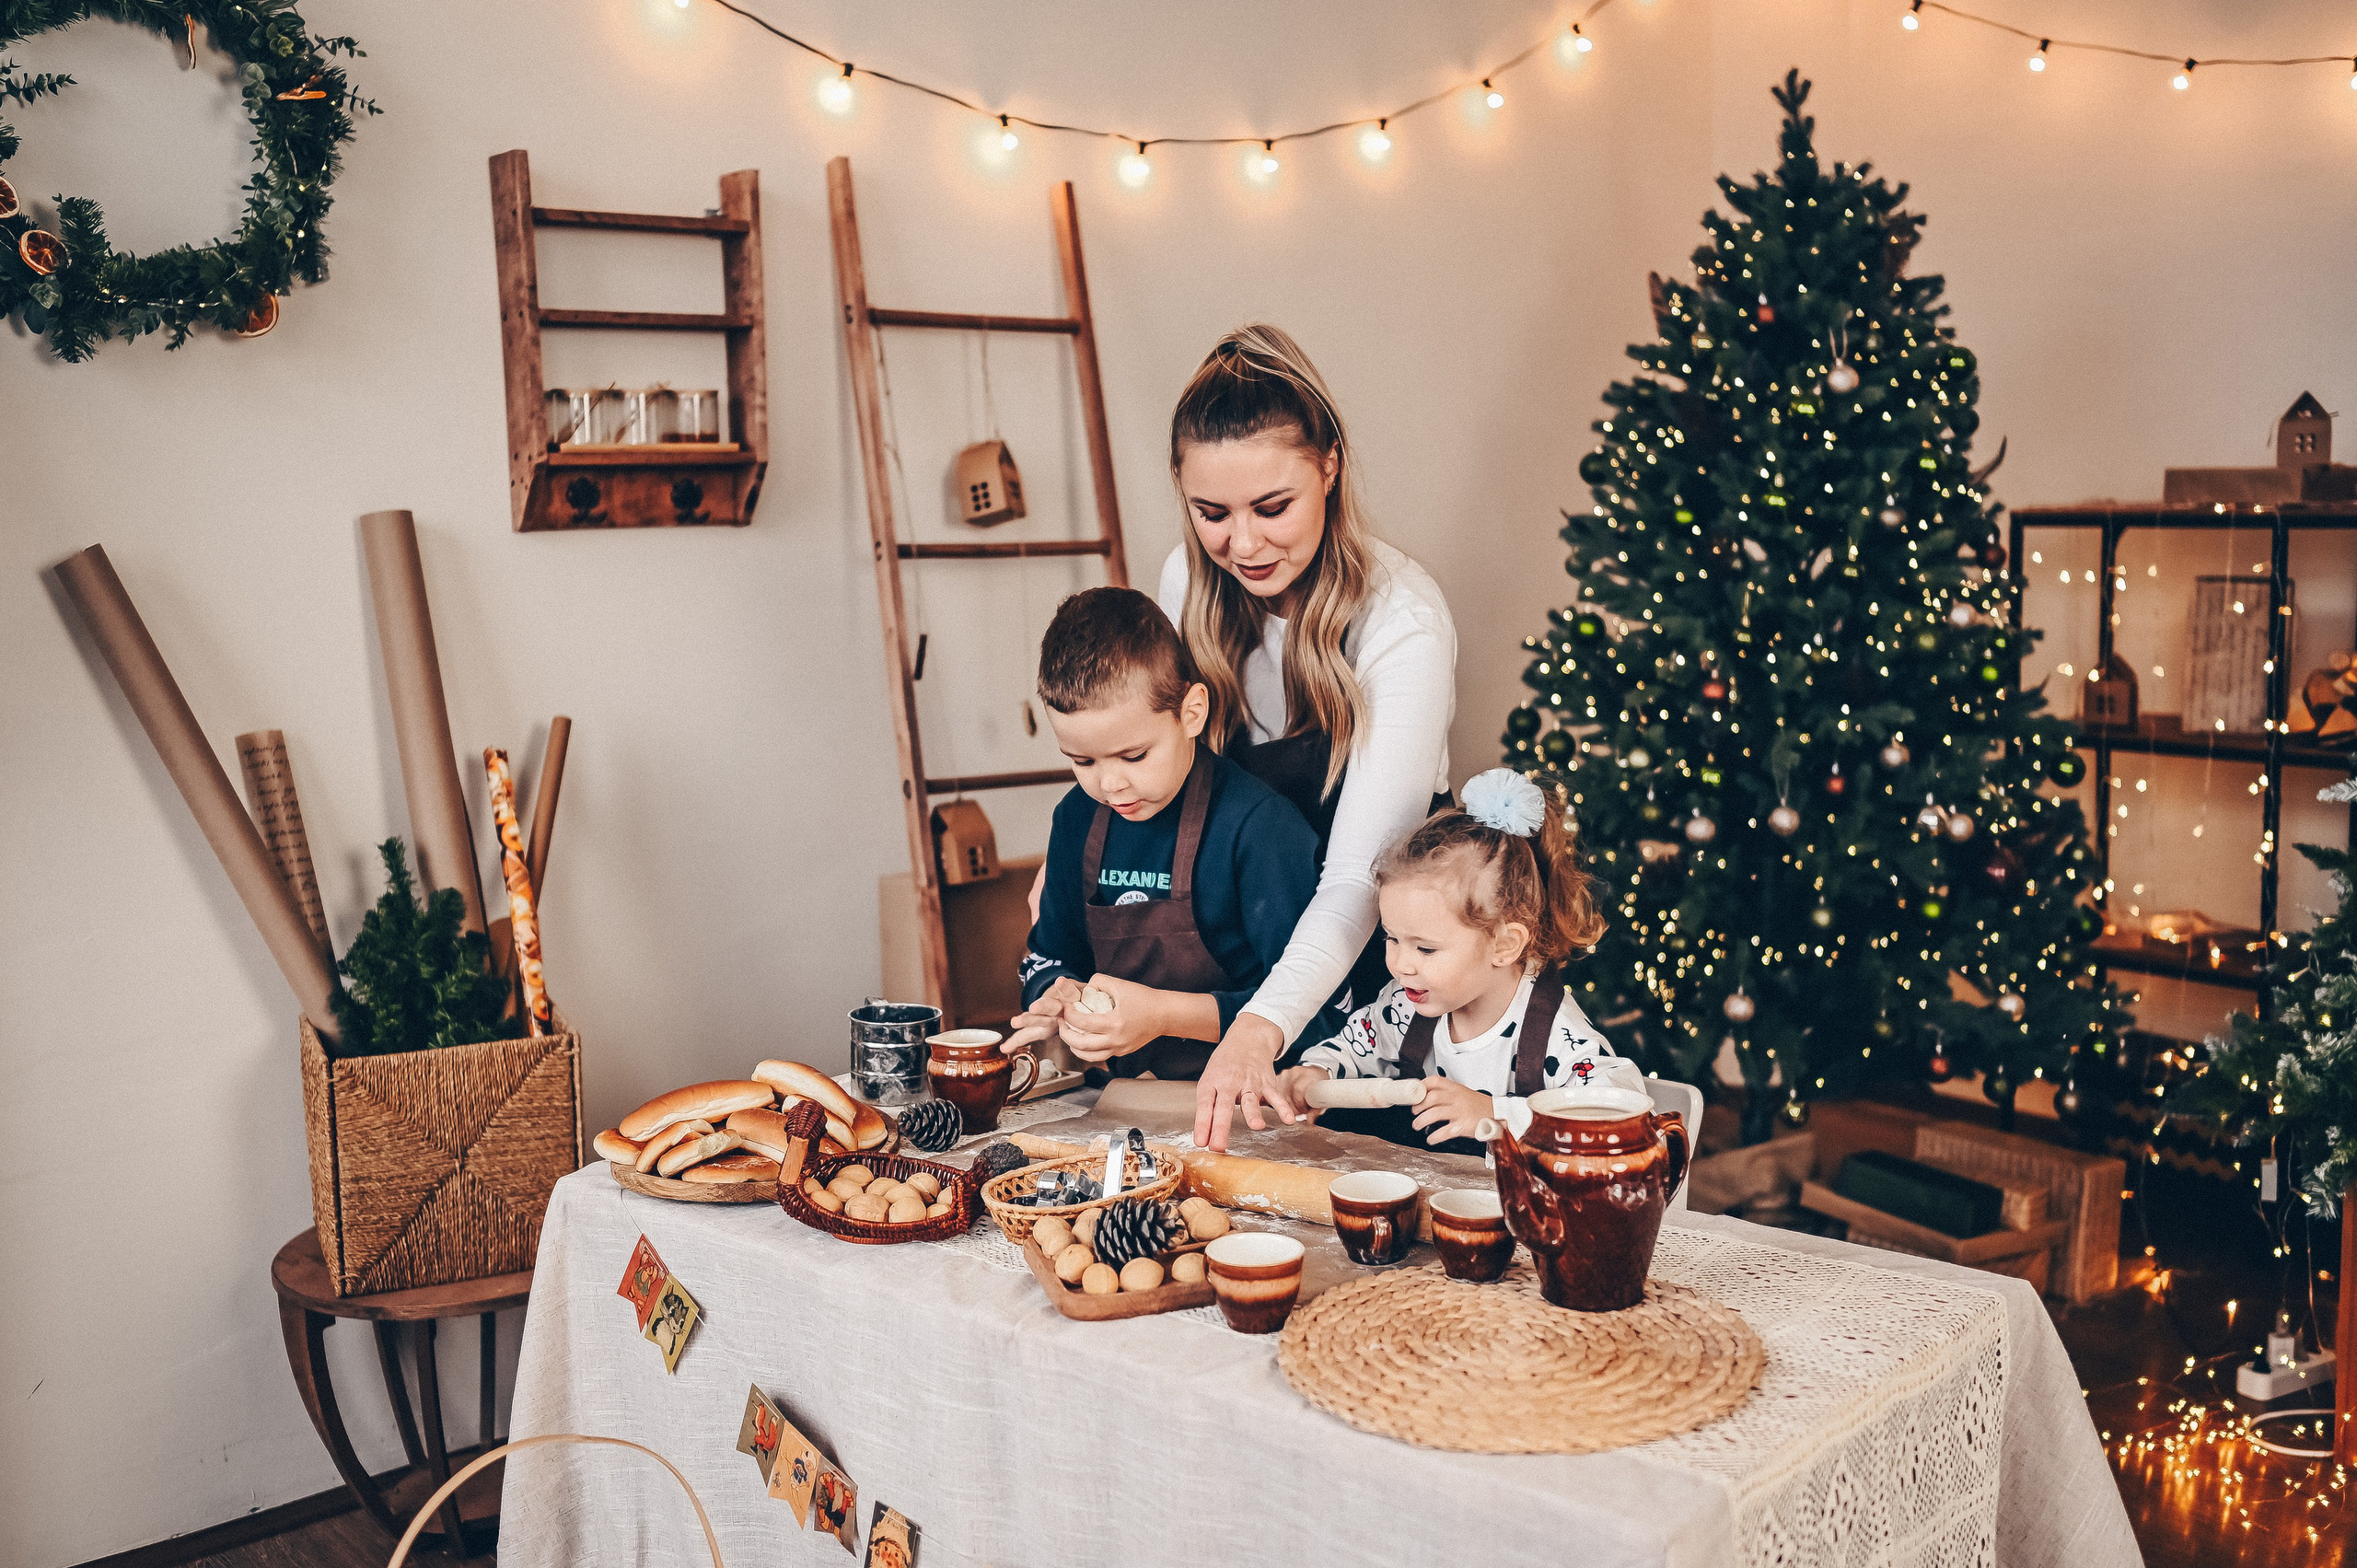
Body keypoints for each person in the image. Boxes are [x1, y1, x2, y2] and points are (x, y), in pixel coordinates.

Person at [1161, 325, 1459, 1149]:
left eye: (1273, 506)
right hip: (1253, 951)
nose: (1243, 544)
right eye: (1210, 512)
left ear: (1329, 464)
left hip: (1383, 972)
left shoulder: (1404, 620)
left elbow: (1357, 882)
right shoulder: (1186, 582)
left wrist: (1261, 1030)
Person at [1007, 586, 1321, 1080]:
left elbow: (1320, 1014)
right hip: (1121, 1100)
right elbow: (1049, 953)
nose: (1110, 785)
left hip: (1251, 1104)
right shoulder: (1076, 819)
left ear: (1191, 712)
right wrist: (1055, 992)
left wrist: (1160, 1015)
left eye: (1134, 756)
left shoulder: (1260, 829)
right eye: (1082, 761)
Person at [1278, 769, 1620, 1153]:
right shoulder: (1404, 1007)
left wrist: (1494, 1113)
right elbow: (1350, 1052)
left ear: (1504, 945)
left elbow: (1615, 1115)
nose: (1402, 964)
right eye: (1391, 938)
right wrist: (1315, 1074)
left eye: (1425, 949)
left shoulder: (1554, 1031)